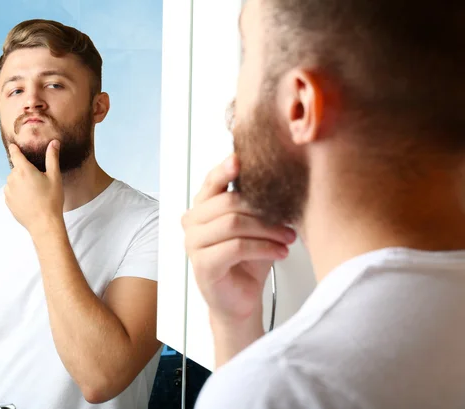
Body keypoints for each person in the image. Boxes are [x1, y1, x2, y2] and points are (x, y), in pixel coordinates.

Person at [182, 0, 465, 407]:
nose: (233, 107)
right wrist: (236, 323)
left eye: (249, 54)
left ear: (300, 106)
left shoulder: (285, 386)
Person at [0, 19, 162, 409]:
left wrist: (45, 224)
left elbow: (102, 378)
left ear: (97, 107)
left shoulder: (151, 226)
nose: (31, 100)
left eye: (54, 84)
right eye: (14, 89)